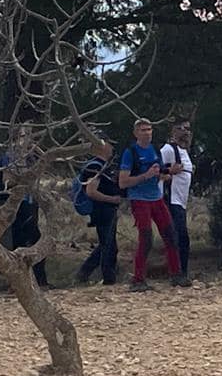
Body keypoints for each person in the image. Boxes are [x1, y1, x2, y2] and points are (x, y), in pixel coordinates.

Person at [117, 118, 184, 291]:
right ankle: (138, 279)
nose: (147, 133)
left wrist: (169, 172)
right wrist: (145, 176)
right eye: (143, 130)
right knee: (146, 238)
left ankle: (176, 274)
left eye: (149, 129)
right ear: (136, 133)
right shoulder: (130, 152)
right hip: (140, 199)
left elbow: (160, 170)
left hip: (156, 197)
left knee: (170, 235)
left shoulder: (155, 150)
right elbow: (123, 182)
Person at [0, 127, 50, 289]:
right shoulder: (11, 156)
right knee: (24, 242)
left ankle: (37, 281)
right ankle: (25, 283)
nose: (28, 140)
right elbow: (7, 181)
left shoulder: (30, 156)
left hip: (31, 201)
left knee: (33, 240)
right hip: (20, 203)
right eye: (25, 136)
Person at [75, 140, 124, 286]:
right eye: (110, 145)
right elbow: (91, 191)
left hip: (108, 209)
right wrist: (112, 199)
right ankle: (107, 279)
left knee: (108, 245)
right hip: (102, 210)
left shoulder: (105, 166)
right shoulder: (95, 167)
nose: (112, 148)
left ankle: (85, 274)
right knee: (107, 246)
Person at [161, 117, 195, 276]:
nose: (187, 132)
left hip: (181, 201)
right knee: (179, 237)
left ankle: (181, 271)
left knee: (181, 238)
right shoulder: (169, 150)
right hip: (172, 200)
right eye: (183, 128)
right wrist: (168, 173)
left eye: (188, 129)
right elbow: (158, 171)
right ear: (174, 130)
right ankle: (178, 272)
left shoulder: (184, 152)